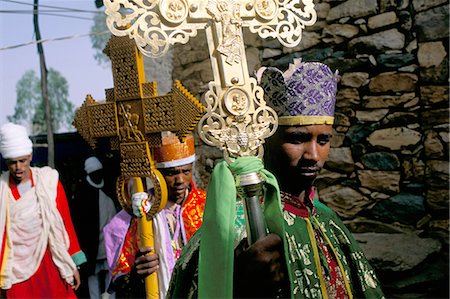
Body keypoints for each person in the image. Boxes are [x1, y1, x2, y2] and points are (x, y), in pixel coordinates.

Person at [167, 60, 385, 298]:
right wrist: (240, 286)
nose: (313, 155)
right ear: (265, 140)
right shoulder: (234, 230)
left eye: (323, 140)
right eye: (297, 138)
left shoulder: (328, 221)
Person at [103, 133, 206, 298]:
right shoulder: (138, 213)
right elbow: (122, 281)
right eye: (171, 173)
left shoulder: (206, 205)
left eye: (185, 171)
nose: (180, 180)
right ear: (157, 174)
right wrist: (136, 275)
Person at [0, 122, 87, 298]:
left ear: (30, 156)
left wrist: (72, 263)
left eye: (22, 161)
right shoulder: (1, 190)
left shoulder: (48, 182)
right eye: (12, 163)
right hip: (15, 270)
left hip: (50, 261)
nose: (18, 167)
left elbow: (64, 223)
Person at [70, 156, 119, 299]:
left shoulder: (109, 187)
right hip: (92, 246)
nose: (98, 175)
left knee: (111, 277)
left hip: (110, 244)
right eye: (94, 173)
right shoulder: (83, 193)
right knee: (93, 279)